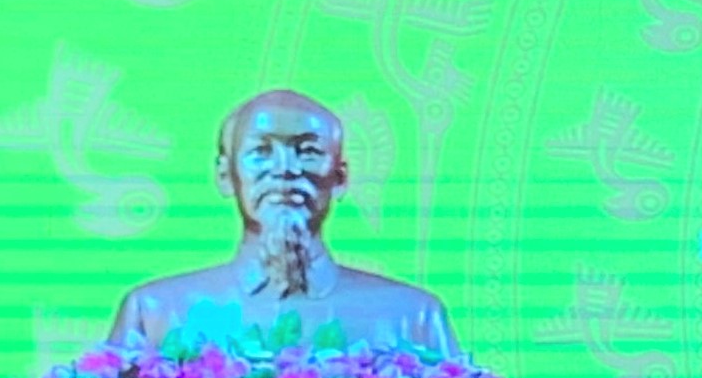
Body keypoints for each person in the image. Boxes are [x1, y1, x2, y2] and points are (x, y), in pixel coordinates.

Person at [109, 88, 458, 352]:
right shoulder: (155, 311)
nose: (285, 169)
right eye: (261, 152)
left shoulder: (412, 316)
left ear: (340, 178)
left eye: (308, 152)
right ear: (225, 175)